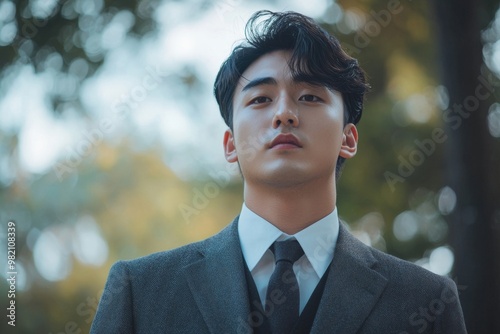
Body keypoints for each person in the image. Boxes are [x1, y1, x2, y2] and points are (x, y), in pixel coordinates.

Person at [91, 10, 467, 334]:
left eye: (309, 97)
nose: (284, 113)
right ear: (231, 145)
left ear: (348, 139)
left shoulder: (426, 301)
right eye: (260, 99)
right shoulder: (140, 292)